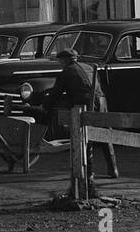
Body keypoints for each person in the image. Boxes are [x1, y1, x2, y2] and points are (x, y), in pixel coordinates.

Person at [46, 48, 118, 192]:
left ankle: (89, 173)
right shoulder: (89, 67)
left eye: (60, 60)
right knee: (105, 135)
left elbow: (56, 92)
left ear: (65, 60)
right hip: (102, 102)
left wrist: (45, 105)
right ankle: (113, 169)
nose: (59, 63)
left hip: (84, 104)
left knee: (85, 137)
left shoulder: (66, 72)